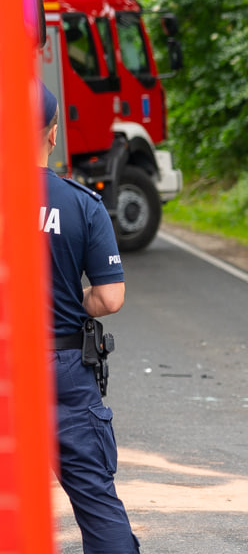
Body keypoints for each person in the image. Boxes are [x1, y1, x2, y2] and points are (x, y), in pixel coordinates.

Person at [39, 81, 140, 553]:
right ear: (53, 133)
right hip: (63, 370)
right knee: (98, 505)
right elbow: (111, 297)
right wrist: (65, 298)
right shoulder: (82, 203)